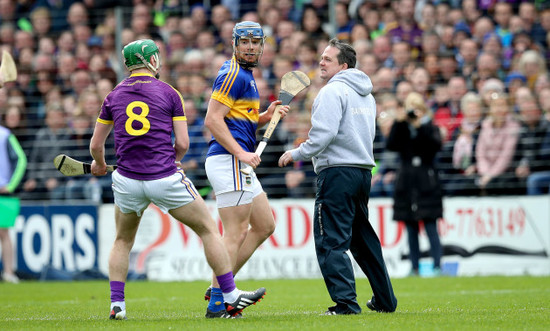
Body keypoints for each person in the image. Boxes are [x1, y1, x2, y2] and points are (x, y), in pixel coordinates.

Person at [89, 39, 266, 320]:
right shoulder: (169, 93)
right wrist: (173, 157)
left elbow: (96, 145)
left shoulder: (112, 96)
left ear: (127, 64)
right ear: (152, 61)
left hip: (127, 180)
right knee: (209, 229)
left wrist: (99, 165)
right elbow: (182, 142)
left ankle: (117, 305)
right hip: (164, 177)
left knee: (122, 240)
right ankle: (229, 295)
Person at [278, 38, 397, 315]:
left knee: (330, 240)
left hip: (336, 173)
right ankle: (385, 300)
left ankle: (345, 304)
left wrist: (296, 153)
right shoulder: (366, 94)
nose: (321, 62)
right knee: (363, 240)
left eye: (327, 59)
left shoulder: (332, 92)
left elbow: (323, 137)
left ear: (343, 66)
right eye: (321, 57)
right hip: (362, 172)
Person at [203, 21, 290, 318]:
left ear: (263, 45)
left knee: (265, 225)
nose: (251, 47)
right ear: (234, 44)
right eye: (245, 42)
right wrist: (241, 152)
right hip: (230, 160)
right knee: (235, 232)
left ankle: (220, 285)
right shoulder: (231, 74)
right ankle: (220, 299)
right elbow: (213, 120)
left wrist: (265, 116)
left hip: (236, 161)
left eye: (255, 42)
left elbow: (239, 121)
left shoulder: (246, 76)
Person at [385, 92, 444, 277]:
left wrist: (421, 127)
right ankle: (414, 267)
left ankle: (437, 266)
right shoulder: (402, 127)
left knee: (431, 226)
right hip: (407, 182)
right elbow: (391, 145)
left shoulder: (429, 126)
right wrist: (400, 122)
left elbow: (435, 146)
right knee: (410, 227)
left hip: (426, 181)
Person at [0, 118, 27, 283]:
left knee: (4, 232)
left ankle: (9, 272)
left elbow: (21, 160)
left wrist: (11, 185)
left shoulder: (5, 134)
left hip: (4, 193)